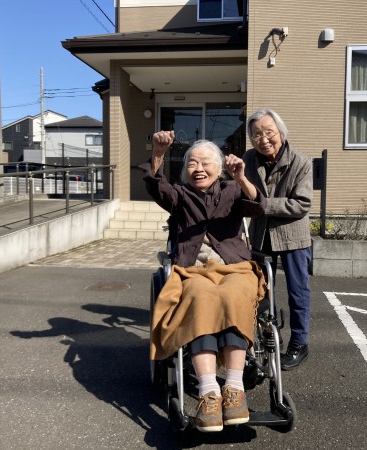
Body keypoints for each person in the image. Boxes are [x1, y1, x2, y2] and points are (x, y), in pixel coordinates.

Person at [140, 131, 267, 432]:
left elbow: (259, 205)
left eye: (206, 162)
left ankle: (234, 389)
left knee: (234, 294)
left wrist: (241, 177)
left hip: (234, 267)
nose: (198, 168)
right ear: (186, 170)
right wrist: (158, 153)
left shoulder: (232, 190)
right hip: (194, 270)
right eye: (192, 163)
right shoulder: (180, 195)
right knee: (200, 297)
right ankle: (209, 392)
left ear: (219, 168)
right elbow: (157, 187)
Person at [242, 108, 313, 371]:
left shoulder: (301, 162)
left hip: (293, 235)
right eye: (256, 134)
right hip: (261, 234)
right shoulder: (248, 159)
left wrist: (263, 205)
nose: (263, 139)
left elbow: (301, 204)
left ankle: (299, 343)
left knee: (298, 291)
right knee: (260, 290)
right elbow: (241, 192)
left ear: (280, 132)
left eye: (268, 132)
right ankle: (268, 336)